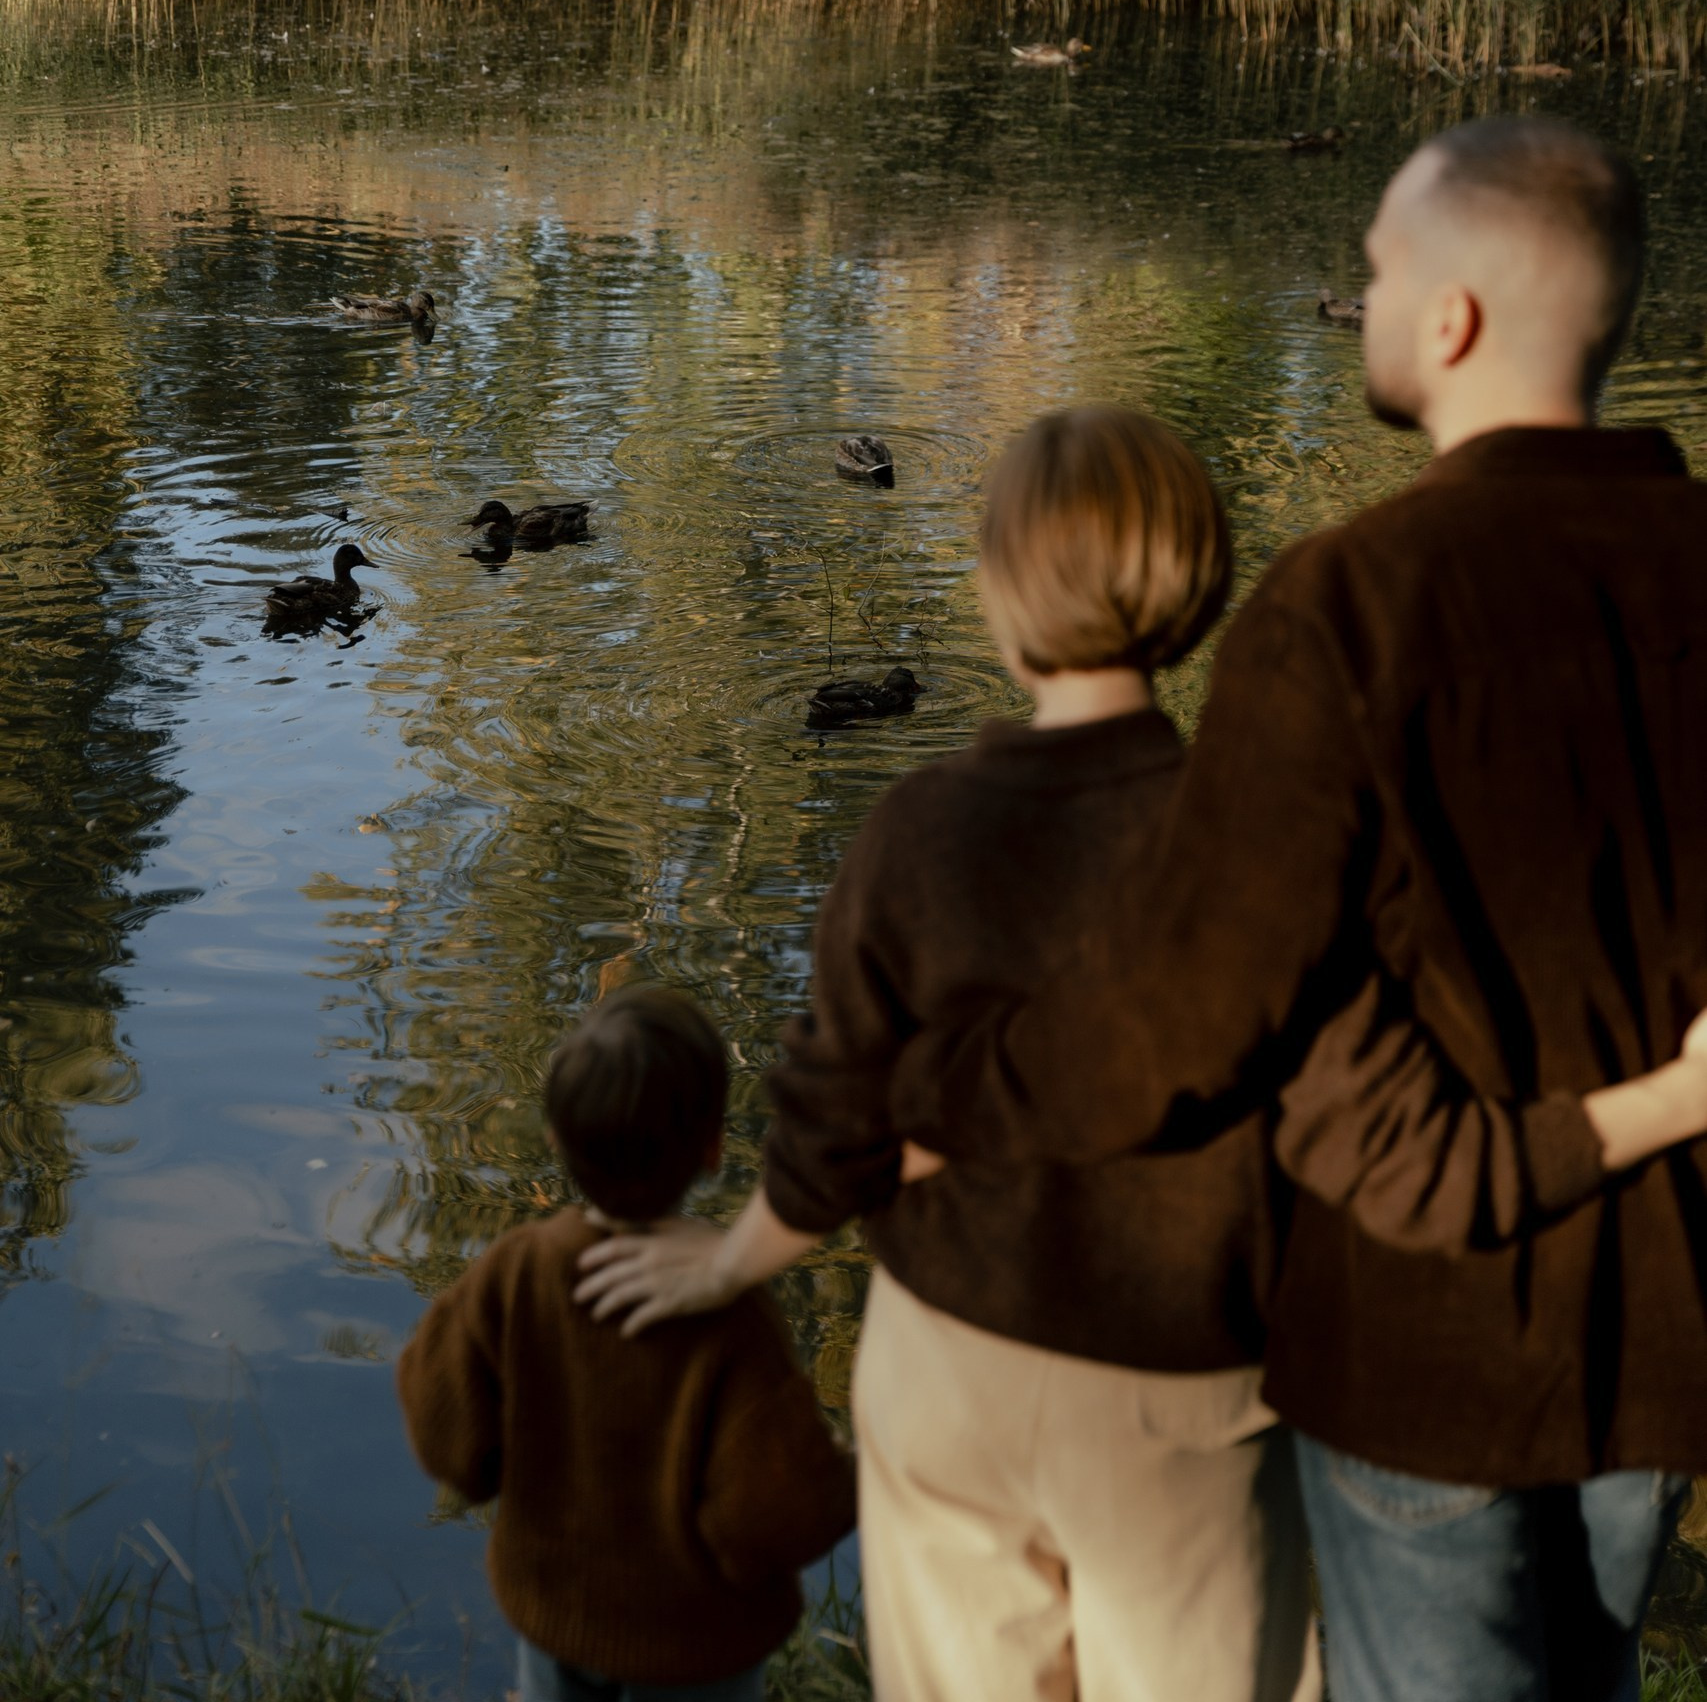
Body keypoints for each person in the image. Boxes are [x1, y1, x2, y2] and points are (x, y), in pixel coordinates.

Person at [572, 396, 1707, 1702]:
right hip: (1184, 1395)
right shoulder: (1271, 838)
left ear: (997, 594)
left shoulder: (914, 830)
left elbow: (835, 1119)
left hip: (945, 1367)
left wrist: (726, 1261)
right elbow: (1359, 1126)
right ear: (1200, 592)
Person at [887, 117, 1707, 1702]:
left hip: (1424, 1346)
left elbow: (1187, 1007)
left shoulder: (1342, 609)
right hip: (1667, 1316)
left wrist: (940, 1091)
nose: (1366, 297)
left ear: (1453, 319)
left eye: (1378, 269)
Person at [394, 985, 855, 1702]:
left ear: (555, 1139)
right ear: (709, 1150)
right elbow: (775, 1518)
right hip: (698, 1652)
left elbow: (445, 1431)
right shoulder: (731, 1314)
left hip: (554, 1616)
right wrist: (864, 1472)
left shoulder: (518, 1271)